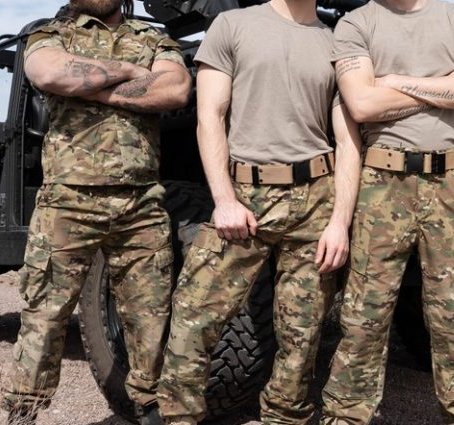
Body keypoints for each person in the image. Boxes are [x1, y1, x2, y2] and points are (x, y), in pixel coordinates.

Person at [156, 0, 363, 423]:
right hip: (245, 196)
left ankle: (284, 417)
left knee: (302, 333)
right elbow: (209, 116)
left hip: (316, 200)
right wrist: (224, 200)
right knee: (195, 316)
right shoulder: (233, 25)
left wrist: (340, 222)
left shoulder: (336, 43)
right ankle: (178, 416)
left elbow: (347, 142)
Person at [2, 0, 190, 423]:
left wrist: (92, 86)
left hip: (141, 202)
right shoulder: (50, 33)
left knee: (151, 316)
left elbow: (176, 89)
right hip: (68, 200)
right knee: (45, 315)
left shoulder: (153, 38)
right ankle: (23, 411)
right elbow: (50, 73)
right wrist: (131, 72)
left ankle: (149, 408)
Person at [320, 0, 454, 424]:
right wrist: (442, 89)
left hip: (449, 181)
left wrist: (395, 82)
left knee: (453, 312)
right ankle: (346, 415)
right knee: (365, 312)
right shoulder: (356, 24)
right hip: (382, 182)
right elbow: (363, 105)